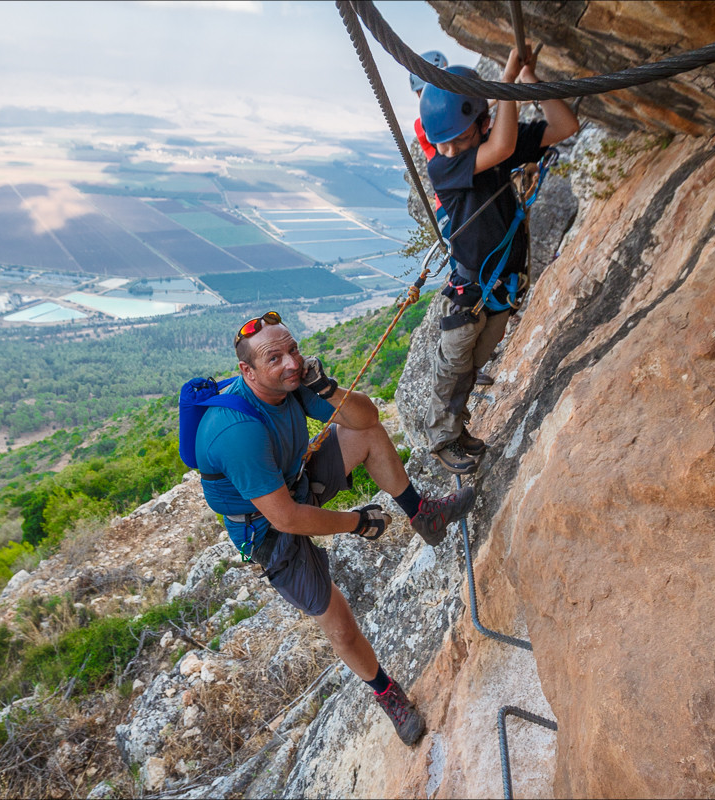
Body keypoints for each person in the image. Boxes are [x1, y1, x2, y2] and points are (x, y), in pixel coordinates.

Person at [194, 311, 476, 745]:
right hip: (267, 529)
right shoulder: (236, 431)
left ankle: (423, 515)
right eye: (275, 358)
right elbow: (285, 518)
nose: (291, 363)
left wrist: (326, 388)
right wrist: (358, 522)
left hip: (294, 483)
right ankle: (388, 695)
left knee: (369, 436)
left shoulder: (293, 384)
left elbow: (366, 418)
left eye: (293, 349)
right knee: (339, 622)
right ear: (247, 372)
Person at [419, 48, 579, 474]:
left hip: (502, 288)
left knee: (471, 366)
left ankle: (456, 429)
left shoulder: (496, 148)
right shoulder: (445, 168)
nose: (450, 148)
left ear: (483, 124)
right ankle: (441, 438)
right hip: (470, 289)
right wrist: (507, 80)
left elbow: (565, 126)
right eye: (443, 141)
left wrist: (531, 82)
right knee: (452, 365)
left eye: (459, 138)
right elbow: (503, 142)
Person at [411, 52, 495, 390]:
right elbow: (452, 155)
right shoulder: (426, 122)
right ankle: (462, 368)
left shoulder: (440, 113)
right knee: (466, 271)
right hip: (455, 190)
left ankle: (469, 366)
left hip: (465, 183)